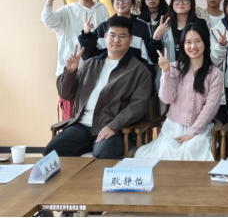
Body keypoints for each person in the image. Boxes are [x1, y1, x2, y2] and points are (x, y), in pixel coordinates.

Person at [43, 16, 152, 159]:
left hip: (112, 127)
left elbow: (137, 106)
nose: (116, 40)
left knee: (104, 153)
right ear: (105, 37)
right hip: (81, 126)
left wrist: (114, 126)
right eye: (112, 35)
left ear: (130, 39)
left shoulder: (140, 71)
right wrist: (70, 72)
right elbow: (65, 94)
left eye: (122, 36)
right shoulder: (89, 64)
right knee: (51, 151)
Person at [135, 22, 224, 161]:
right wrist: (165, 72)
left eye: (197, 41)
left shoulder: (214, 73)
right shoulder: (174, 68)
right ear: (183, 45)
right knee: (167, 150)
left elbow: (210, 108)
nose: (193, 46)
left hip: (199, 128)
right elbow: (166, 99)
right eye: (188, 42)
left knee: (191, 150)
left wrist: (192, 133)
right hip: (172, 128)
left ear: (205, 43)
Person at [42, 0, 110, 120]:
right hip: (71, 70)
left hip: (95, 70)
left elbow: (107, 40)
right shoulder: (67, 11)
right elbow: (47, 20)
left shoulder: (101, 9)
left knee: (93, 114)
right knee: (71, 114)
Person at [78, 0, 155, 69]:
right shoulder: (103, 27)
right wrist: (86, 34)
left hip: (134, 74)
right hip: (108, 74)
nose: (121, 3)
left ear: (133, 1)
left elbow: (148, 58)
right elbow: (89, 57)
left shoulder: (142, 26)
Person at [150, 0, 209, 92]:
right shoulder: (163, 24)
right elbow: (154, 58)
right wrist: (156, 38)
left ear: (191, 2)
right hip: (169, 78)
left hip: (194, 78)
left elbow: (206, 51)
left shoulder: (200, 24)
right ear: (172, 3)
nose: (181, 3)